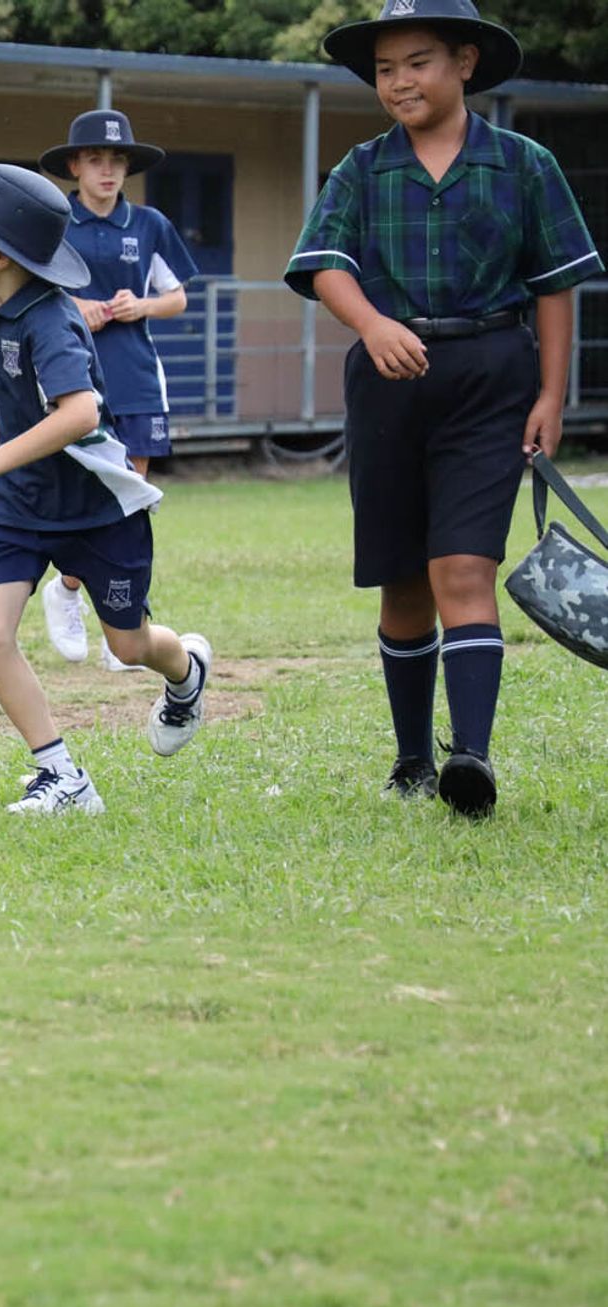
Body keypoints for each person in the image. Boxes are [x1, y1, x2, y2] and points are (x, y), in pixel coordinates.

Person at [284, 0, 601, 818]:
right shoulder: (361, 168)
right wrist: (372, 324)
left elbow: (555, 285)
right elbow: (324, 264)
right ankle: (412, 759)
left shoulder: (524, 164)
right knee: (401, 582)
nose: (399, 82)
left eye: (417, 62)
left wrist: (551, 396)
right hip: (387, 382)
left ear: (465, 63)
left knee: (463, 568)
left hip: (492, 380)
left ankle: (472, 758)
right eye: (384, 69)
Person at [0, 164, 216, 815]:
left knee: (129, 645)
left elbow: (78, 413)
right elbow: (26, 391)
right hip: (21, 504)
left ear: (0, 254)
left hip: (94, 508)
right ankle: (62, 775)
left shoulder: (51, 319)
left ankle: (187, 673)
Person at [37, 109, 200, 671]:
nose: (107, 171)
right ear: (75, 167)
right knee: (78, 493)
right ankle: (66, 589)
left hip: (137, 377)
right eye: (95, 160)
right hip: (72, 377)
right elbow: (33, 288)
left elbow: (177, 297)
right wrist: (74, 305)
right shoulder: (57, 222)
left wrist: (142, 305)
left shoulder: (149, 223)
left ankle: (124, 626)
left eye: (116, 161)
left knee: (130, 501)